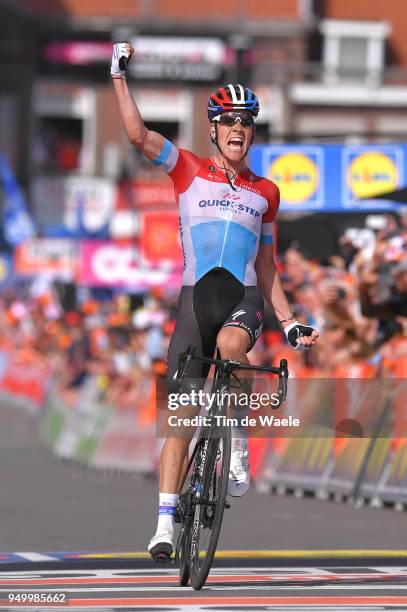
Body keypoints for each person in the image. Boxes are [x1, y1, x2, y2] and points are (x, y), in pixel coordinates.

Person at [111, 42, 319, 562]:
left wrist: (290, 323)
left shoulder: (266, 193)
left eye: (246, 122)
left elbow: (267, 267)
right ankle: (163, 524)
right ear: (213, 128)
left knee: (233, 348)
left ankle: (239, 443)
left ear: (252, 132)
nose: (237, 128)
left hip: (242, 297)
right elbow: (137, 136)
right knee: (180, 422)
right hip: (193, 300)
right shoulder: (186, 170)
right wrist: (118, 76)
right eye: (228, 120)